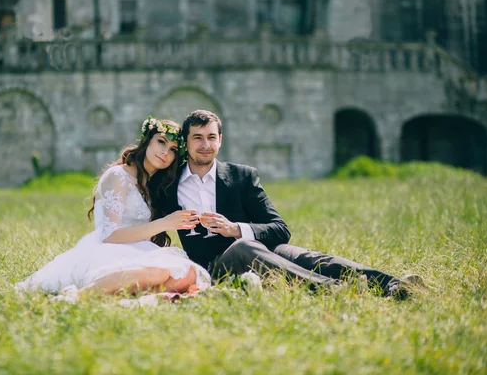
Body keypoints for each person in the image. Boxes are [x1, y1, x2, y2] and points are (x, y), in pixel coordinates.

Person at [152, 110, 423, 299]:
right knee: (244, 247)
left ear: (220, 140)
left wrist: (235, 228)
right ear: (185, 143)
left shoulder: (242, 176)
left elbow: (280, 228)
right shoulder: (168, 186)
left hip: (263, 249)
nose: (205, 144)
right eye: (197, 138)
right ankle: (335, 290)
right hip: (214, 268)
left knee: (307, 257)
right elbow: (148, 223)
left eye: (212, 137)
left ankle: (392, 285)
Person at [15, 117, 211, 296]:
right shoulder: (118, 176)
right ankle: (81, 296)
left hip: (137, 248)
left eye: (173, 150)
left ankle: (135, 295)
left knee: (188, 273)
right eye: (161, 142)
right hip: (109, 247)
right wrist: (165, 223)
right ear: (147, 140)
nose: (165, 152)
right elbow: (110, 235)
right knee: (159, 272)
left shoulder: (152, 186)